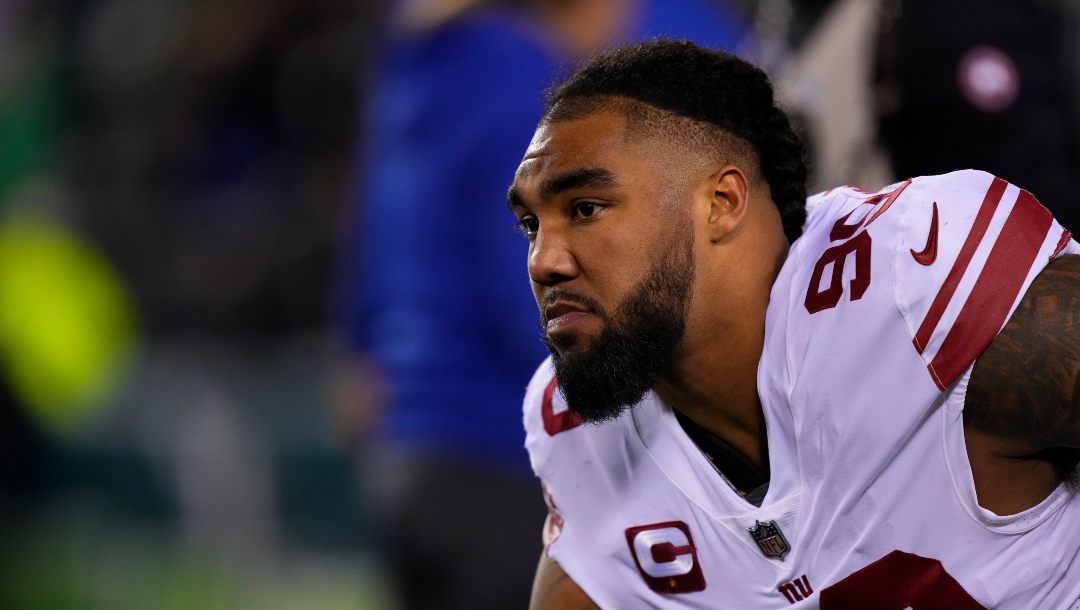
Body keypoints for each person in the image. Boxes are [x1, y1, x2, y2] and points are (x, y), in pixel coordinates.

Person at [507, 40, 1080, 608]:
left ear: (723, 201)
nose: (543, 260)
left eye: (585, 208)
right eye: (531, 224)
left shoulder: (910, 278)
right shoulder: (576, 430)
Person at [342, 4, 749, 608]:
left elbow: (369, 254)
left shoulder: (410, 68)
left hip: (409, 456)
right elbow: (529, 285)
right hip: (502, 458)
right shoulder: (512, 69)